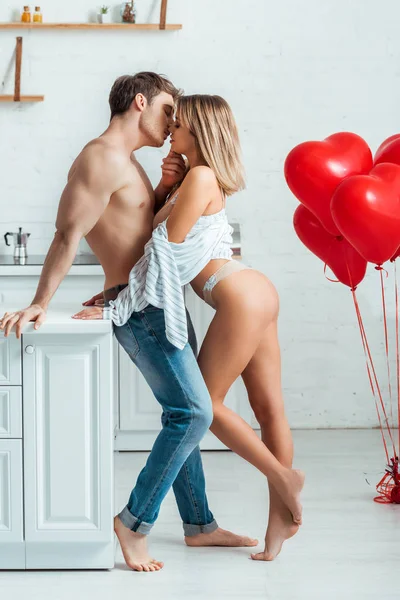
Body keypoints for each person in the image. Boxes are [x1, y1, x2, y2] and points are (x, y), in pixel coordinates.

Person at [0, 73, 258, 573]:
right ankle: (133, 522)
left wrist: (164, 188)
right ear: (140, 102)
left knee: (184, 411)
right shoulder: (102, 157)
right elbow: (66, 233)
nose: (172, 123)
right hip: (141, 309)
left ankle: (200, 524)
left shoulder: (132, 165)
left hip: (155, 301)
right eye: (167, 110)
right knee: (194, 413)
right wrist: (41, 301)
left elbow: (143, 234)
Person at [75, 94, 305, 562]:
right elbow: (162, 238)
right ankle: (277, 522)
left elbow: (164, 249)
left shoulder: (200, 177)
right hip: (253, 289)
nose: (169, 131)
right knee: (268, 408)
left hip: (237, 294)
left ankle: (283, 480)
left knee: (205, 407)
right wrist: (164, 187)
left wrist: (120, 299)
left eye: (177, 125)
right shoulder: (193, 178)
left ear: (196, 132)